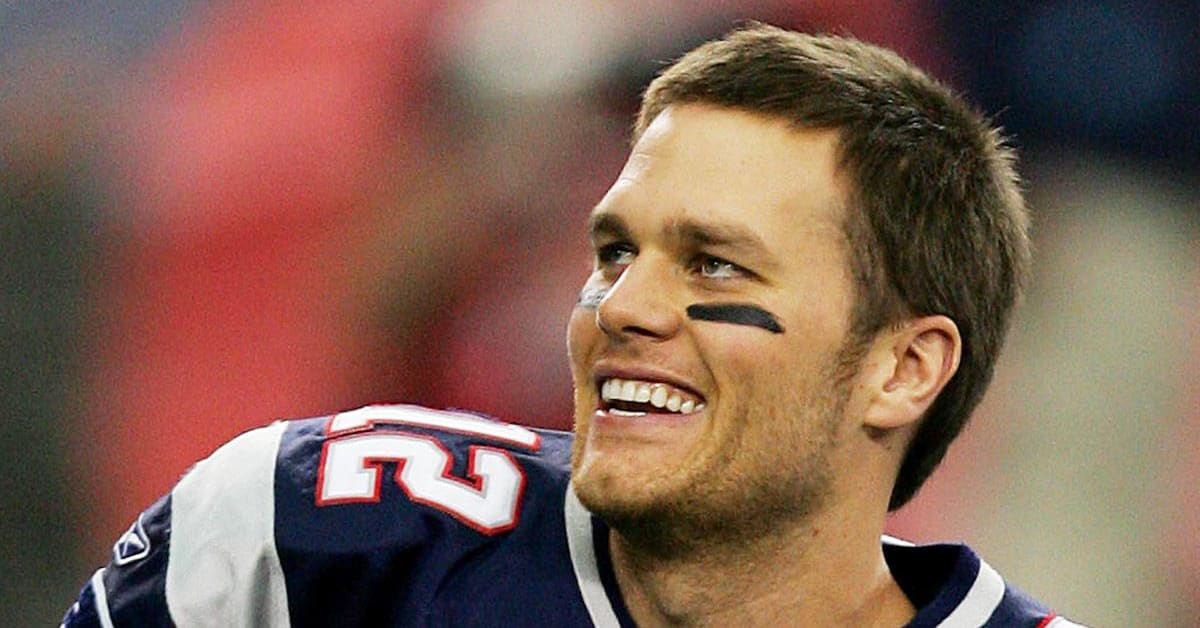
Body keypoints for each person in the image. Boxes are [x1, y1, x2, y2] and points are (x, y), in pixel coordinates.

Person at [63, 23, 1083, 627]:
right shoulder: (315, 536)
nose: (621, 307)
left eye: (715, 263)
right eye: (615, 252)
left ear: (904, 368)